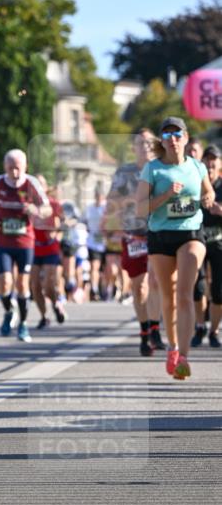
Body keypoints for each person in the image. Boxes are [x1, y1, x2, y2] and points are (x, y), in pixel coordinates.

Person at [136, 116, 215, 379]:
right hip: (161, 236)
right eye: (167, 136)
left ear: (185, 137)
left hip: (191, 233)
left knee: (184, 293)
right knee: (168, 297)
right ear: (163, 141)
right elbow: (140, 208)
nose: (173, 140)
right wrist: (166, 195)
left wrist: (208, 197)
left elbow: (209, 192)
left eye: (177, 135)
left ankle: (184, 356)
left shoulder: (197, 166)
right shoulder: (153, 169)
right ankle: (173, 347)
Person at [106, 129, 165, 355]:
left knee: (156, 282)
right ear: (134, 147)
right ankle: (144, 332)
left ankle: (155, 329)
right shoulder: (125, 172)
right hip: (133, 235)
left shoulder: (162, 169)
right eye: (141, 143)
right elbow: (112, 200)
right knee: (139, 286)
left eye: (150, 142)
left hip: (158, 231)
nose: (146, 146)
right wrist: (134, 199)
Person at [0, 149, 51, 341]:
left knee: (23, 284)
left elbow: (47, 208)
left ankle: (23, 324)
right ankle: (9, 311)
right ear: (4, 167)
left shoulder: (32, 183)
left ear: (25, 167)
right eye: (10, 168)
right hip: (3, 241)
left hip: (25, 242)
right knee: (4, 282)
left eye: (17, 168)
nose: (14, 173)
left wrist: (36, 210)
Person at [30, 174, 66, 328]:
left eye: (41, 184)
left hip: (50, 247)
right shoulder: (29, 205)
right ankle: (44, 316)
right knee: (35, 285)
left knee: (48, 284)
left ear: (45, 187)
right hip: (33, 247)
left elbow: (64, 223)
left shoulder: (54, 204)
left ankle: (57, 303)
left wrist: (57, 235)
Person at [200, 144, 222, 347]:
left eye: (214, 159)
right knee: (197, 287)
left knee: (219, 291)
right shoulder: (195, 184)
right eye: (207, 159)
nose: (210, 162)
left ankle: (214, 331)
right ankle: (200, 327)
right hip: (197, 241)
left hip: (218, 244)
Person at [83, 186, 107, 301]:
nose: (98, 198)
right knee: (94, 266)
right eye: (96, 196)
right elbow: (84, 222)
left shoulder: (107, 207)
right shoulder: (89, 208)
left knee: (107, 269)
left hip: (106, 242)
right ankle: (94, 289)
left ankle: (107, 289)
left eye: (100, 196)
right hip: (93, 242)